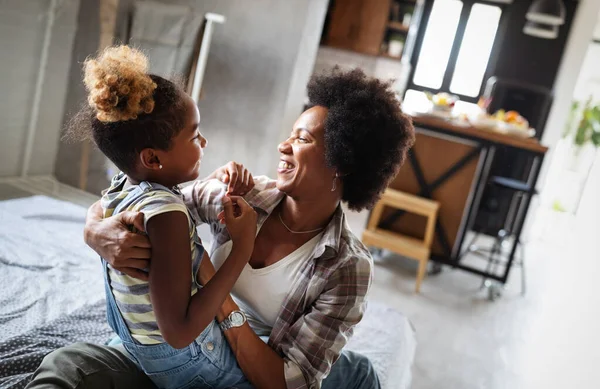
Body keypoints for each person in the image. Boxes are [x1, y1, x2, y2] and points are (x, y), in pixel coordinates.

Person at [27, 67, 415, 389]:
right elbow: (151, 191)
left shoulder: (347, 267)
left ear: (343, 161)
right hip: (180, 345)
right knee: (68, 367)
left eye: (301, 139)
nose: (283, 146)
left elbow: (285, 382)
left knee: (358, 374)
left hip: (242, 368)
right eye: (288, 134)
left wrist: (215, 284)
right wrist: (94, 228)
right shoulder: (250, 198)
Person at [59, 45, 259, 389]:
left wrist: (216, 183)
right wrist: (242, 247)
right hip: (186, 362)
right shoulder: (167, 216)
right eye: (195, 136)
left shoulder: (123, 185)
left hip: (136, 344)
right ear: (153, 159)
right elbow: (180, 333)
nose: (205, 142)